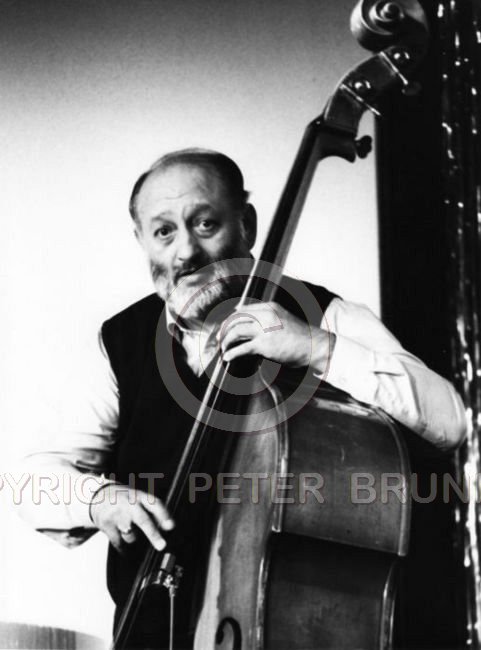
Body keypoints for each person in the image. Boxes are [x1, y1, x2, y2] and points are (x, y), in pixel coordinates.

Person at [16, 149, 467, 648]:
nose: (185, 252)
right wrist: (99, 500)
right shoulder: (120, 341)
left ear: (246, 225)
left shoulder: (322, 316)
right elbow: (31, 483)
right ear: (142, 241)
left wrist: (315, 346)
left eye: (205, 224)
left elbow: (450, 421)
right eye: (164, 231)